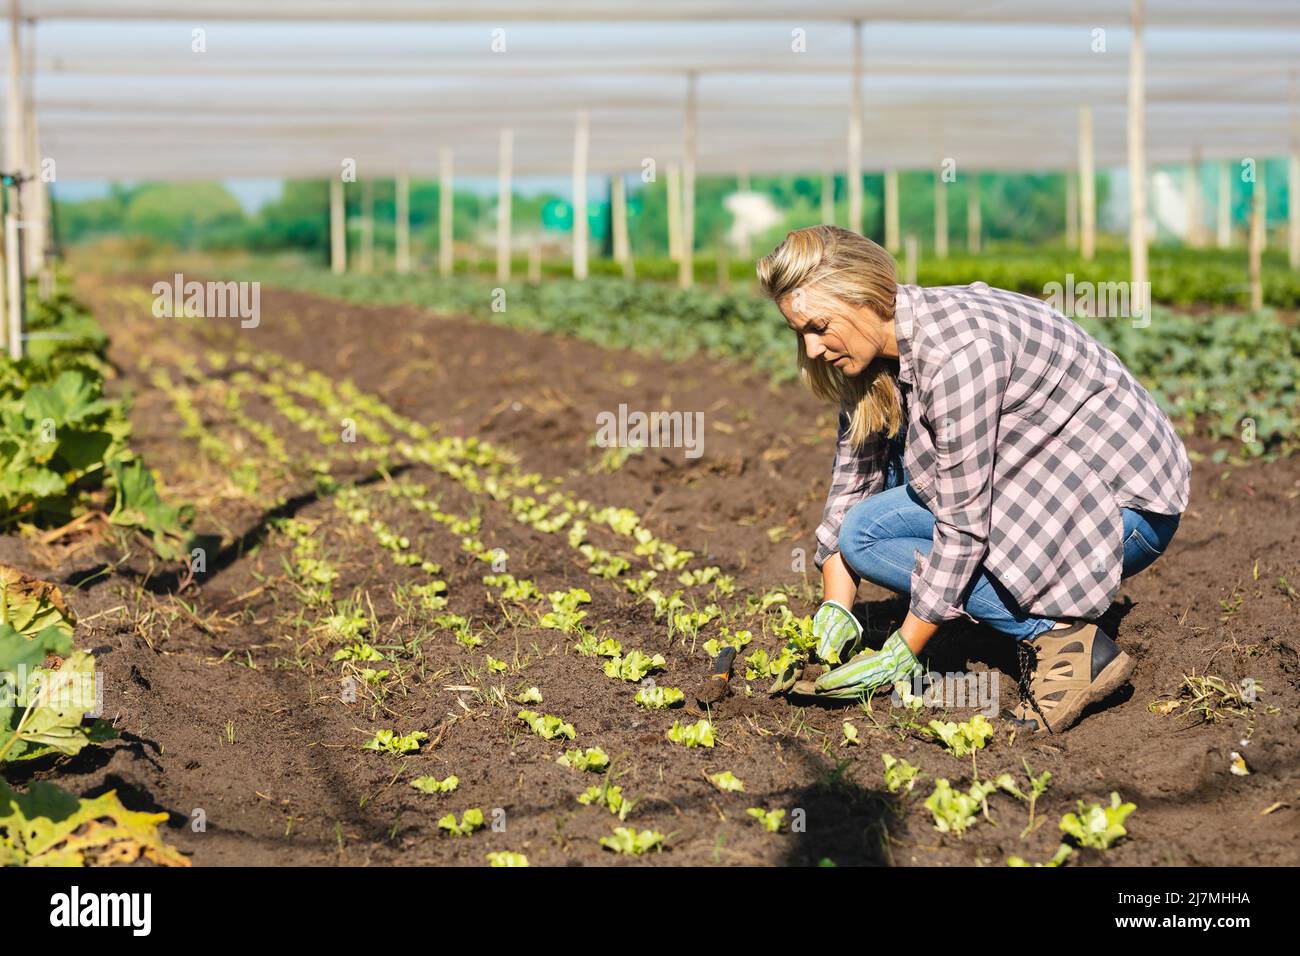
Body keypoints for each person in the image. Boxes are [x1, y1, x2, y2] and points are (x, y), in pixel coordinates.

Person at [757, 225, 1190, 734]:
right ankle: (1011, 605)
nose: (810, 350)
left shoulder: (957, 355)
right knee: (863, 527)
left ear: (864, 295)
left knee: (885, 533)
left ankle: (1063, 642)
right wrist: (835, 611)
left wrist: (903, 650)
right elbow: (853, 481)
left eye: (818, 326)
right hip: (1056, 486)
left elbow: (963, 529)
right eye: (798, 332)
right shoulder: (882, 352)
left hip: (1124, 511)